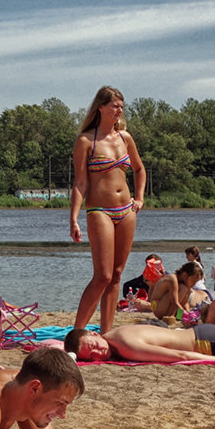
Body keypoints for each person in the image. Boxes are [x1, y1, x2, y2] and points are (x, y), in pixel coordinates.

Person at [69, 86, 146, 334]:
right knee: (102, 275)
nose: (119, 110)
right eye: (114, 105)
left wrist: (140, 198)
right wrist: (74, 218)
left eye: (121, 106)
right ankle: (77, 333)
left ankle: (106, 334)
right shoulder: (85, 141)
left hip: (126, 210)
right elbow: (80, 183)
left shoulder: (125, 138)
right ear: (100, 107)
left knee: (116, 275)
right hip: (99, 210)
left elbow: (140, 169)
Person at [64, 323, 215, 363]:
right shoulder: (114, 334)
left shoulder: (127, 345)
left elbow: (179, 356)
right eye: (91, 356)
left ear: (94, 334)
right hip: (202, 335)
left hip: (207, 343)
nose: (98, 353)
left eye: (93, 346)